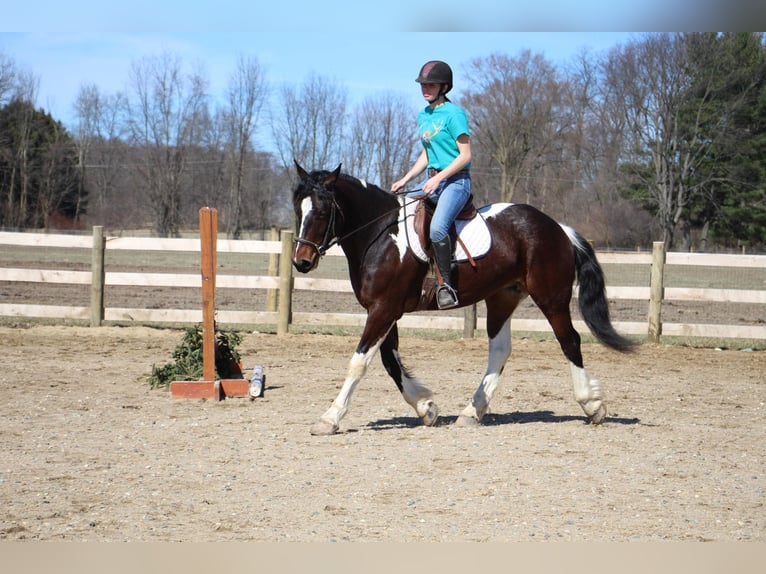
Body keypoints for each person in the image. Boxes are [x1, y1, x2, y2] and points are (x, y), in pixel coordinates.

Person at [391, 60, 472, 310]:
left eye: (431, 84)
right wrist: (406, 179)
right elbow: (428, 153)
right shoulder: (424, 116)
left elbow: (465, 156)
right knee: (396, 209)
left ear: (444, 87)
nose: (425, 88)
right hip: (432, 181)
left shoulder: (455, 114)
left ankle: (446, 287)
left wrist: (438, 178)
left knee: (438, 229)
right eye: (423, 84)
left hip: (456, 183)